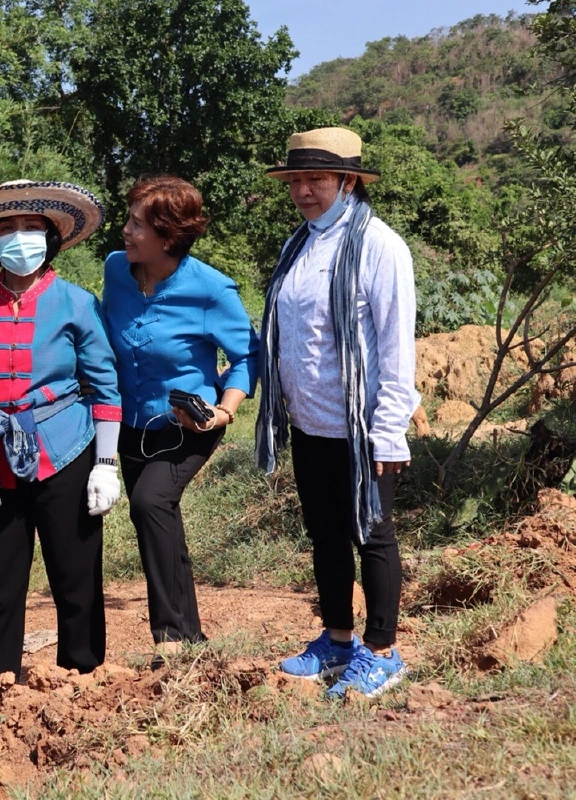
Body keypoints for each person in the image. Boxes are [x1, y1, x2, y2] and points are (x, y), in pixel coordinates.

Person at [0, 180, 122, 694]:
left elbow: (104, 385)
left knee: (75, 575)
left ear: (51, 237)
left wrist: (106, 463)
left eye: (32, 227)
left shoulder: (77, 303)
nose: (20, 237)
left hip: (64, 449)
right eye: (8, 229)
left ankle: (81, 678)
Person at [255, 127, 418, 698]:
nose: (302, 190)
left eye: (315, 179)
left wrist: (390, 431)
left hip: (362, 427)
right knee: (325, 536)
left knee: (371, 535)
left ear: (348, 181)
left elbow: (397, 347)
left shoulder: (380, 247)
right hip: (309, 422)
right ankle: (337, 638)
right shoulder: (299, 243)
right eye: (295, 179)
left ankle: (382, 651)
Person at [101, 176, 260, 666]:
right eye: (127, 218)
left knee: (151, 503)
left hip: (188, 425)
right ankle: (191, 639)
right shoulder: (116, 270)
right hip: (128, 425)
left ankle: (170, 637)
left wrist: (224, 410)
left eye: (136, 224)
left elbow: (247, 356)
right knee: (154, 517)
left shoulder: (210, 290)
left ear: (168, 237)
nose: (124, 230)